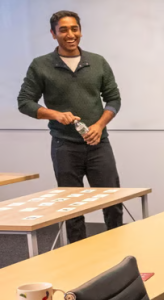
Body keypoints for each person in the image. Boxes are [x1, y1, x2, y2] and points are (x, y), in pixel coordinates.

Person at [17, 10, 123, 243]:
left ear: (80, 31)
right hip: (65, 146)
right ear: (53, 34)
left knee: (112, 201)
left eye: (74, 28)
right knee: (71, 207)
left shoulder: (97, 62)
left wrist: (99, 125)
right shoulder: (41, 65)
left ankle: (118, 247)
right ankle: (77, 254)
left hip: (99, 143)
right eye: (63, 29)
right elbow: (24, 102)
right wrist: (53, 114)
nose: (70, 34)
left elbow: (114, 100)